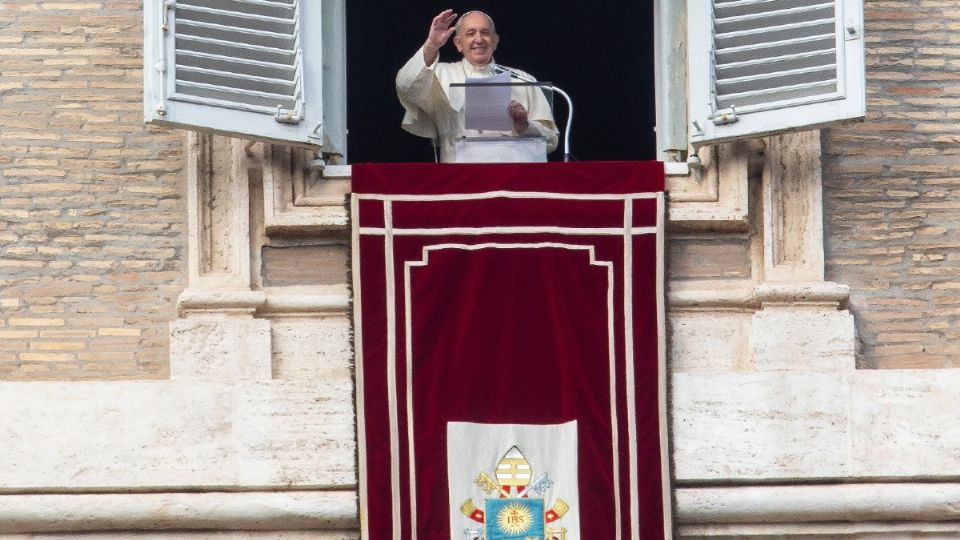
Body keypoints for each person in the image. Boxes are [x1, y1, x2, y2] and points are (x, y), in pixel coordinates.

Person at [396, 9, 559, 163]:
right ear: (458, 43)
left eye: (485, 33)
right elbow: (405, 86)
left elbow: (551, 141)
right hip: (462, 182)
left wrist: (524, 125)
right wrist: (431, 44)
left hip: (514, 180)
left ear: (495, 41)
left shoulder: (523, 80)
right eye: (470, 33)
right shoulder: (440, 74)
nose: (479, 39)